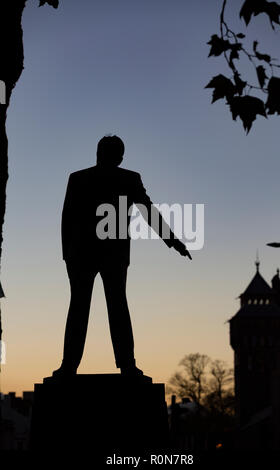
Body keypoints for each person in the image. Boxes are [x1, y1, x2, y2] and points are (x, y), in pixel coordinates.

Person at [52, 135, 191, 378]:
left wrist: (67, 254)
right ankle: (125, 365)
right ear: (120, 156)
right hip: (107, 254)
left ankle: (70, 365)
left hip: (85, 254)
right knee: (115, 307)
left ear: (98, 153)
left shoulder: (80, 178)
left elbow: (67, 219)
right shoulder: (127, 178)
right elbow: (149, 212)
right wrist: (173, 241)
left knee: (82, 308)